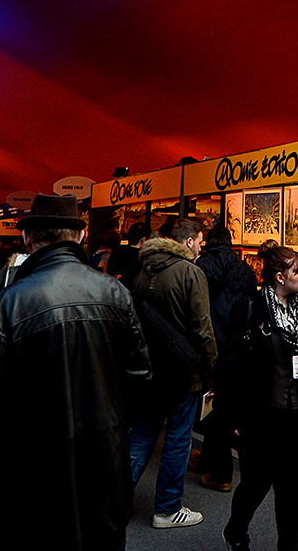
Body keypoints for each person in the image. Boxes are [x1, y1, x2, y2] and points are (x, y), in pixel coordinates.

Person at [0, 194, 150, 549]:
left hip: (32, 463)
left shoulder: (9, 301)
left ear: (27, 239)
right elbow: (140, 381)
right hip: (105, 458)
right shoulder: (115, 292)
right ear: (79, 237)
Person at [222, 245, 298, 551]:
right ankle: (235, 531)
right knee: (256, 483)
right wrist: (233, 415)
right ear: (280, 276)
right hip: (261, 415)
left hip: (297, 414)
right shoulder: (250, 308)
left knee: (291, 487)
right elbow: (232, 364)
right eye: (297, 271)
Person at [125, 217, 218, 529]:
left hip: (148, 371)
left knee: (139, 437)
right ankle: (167, 509)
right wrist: (212, 369)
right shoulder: (191, 272)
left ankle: (115, 501)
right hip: (184, 374)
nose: (201, 248)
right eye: (200, 243)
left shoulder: (142, 271)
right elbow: (202, 329)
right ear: (189, 242)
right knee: (178, 440)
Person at [192, 223, 254, 492]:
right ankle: (209, 460)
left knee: (212, 405)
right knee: (223, 404)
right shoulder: (245, 269)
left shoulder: (201, 267)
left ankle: (221, 471)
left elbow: (196, 305)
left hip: (211, 342)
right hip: (237, 345)